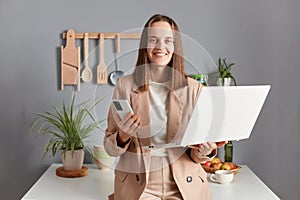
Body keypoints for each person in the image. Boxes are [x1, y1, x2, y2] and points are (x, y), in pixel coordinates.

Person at [104, 14, 226, 200]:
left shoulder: (194, 90)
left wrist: (205, 151)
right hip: (139, 183)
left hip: (183, 181)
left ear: (175, 47)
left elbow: (197, 154)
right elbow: (110, 148)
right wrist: (122, 136)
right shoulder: (125, 86)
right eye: (153, 40)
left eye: (168, 41)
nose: (161, 47)